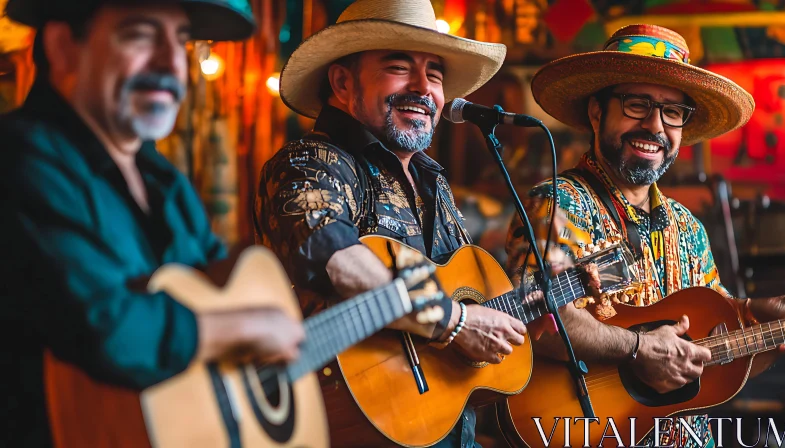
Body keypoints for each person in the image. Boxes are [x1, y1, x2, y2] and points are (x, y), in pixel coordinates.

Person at [0, 1, 305, 446]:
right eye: (140, 35)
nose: (171, 63)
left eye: (181, 40)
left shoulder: (166, 183)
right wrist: (245, 328)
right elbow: (108, 329)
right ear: (64, 45)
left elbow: (220, 288)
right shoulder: (21, 160)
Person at [254, 0, 557, 445]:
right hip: (343, 426)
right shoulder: (310, 162)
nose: (423, 88)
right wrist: (453, 322)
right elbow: (336, 258)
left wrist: (515, 315)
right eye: (399, 67)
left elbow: (456, 297)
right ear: (342, 81)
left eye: (434, 74)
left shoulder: (434, 182)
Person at [506, 24, 785, 447]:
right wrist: (638, 349)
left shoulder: (688, 228)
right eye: (636, 104)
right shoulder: (559, 204)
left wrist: (761, 323)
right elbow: (537, 319)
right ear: (596, 111)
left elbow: (705, 362)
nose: (655, 126)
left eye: (672, 112)